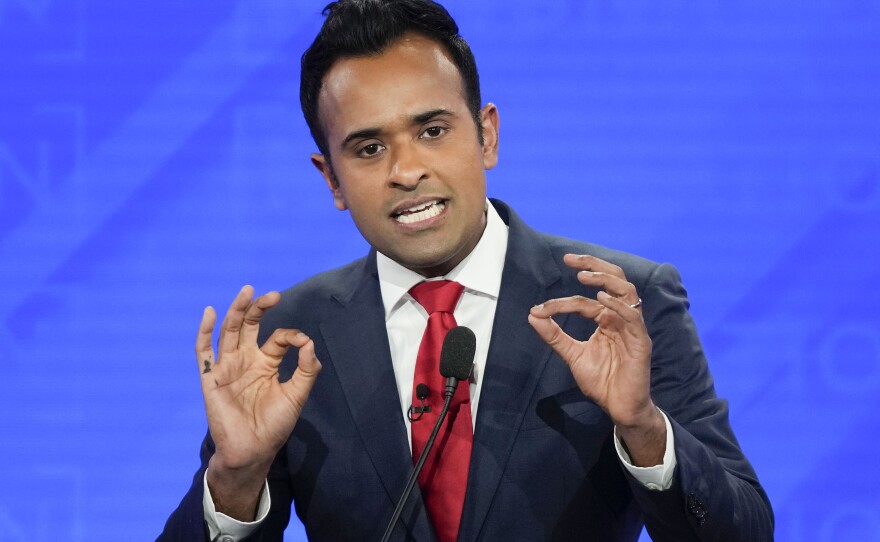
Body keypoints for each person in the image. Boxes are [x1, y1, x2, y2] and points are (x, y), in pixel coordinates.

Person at [159, 0, 774, 540]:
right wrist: (234, 479)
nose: (406, 170)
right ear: (332, 179)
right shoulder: (291, 336)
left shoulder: (618, 302)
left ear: (486, 136)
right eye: (369, 149)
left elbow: (742, 531)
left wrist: (644, 429)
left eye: (431, 130)